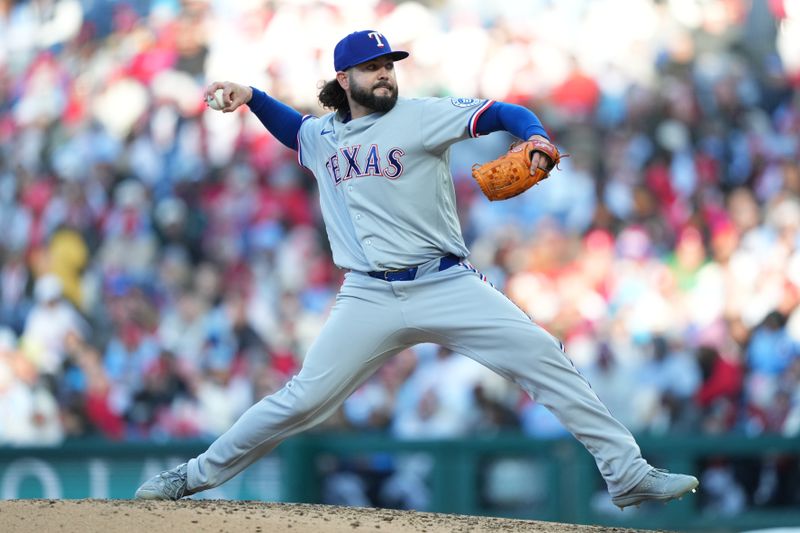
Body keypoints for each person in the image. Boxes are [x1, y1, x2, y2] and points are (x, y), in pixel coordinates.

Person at [135, 30, 699, 510]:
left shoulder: (421, 116)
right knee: (301, 400)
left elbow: (500, 111)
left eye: (389, 66)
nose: (385, 75)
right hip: (367, 297)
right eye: (372, 68)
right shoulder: (322, 137)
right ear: (345, 78)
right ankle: (192, 477)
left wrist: (534, 136)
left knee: (544, 357)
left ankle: (626, 473)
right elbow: (293, 131)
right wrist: (253, 96)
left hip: (445, 281)